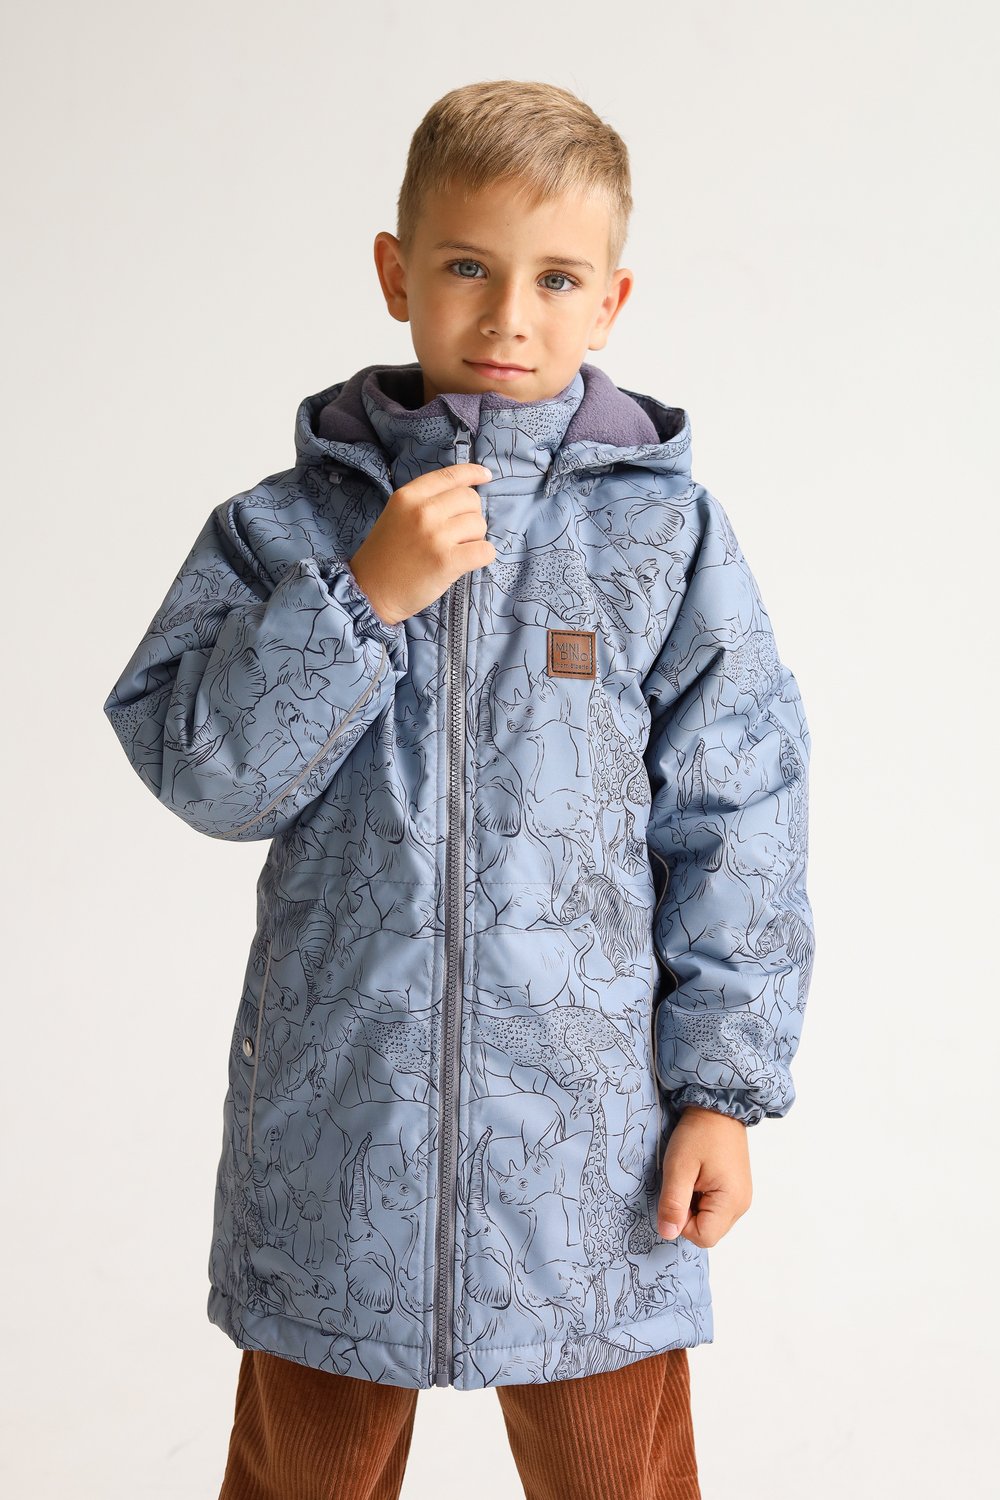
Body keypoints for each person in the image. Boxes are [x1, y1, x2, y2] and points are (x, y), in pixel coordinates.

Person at [103, 79, 815, 1500]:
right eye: (468, 267)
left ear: (610, 301)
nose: (508, 316)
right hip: (338, 1142)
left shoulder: (663, 537)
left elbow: (739, 816)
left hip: (594, 1159)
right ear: (396, 273)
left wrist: (722, 1092)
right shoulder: (288, 529)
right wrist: (360, 600)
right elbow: (203, 771)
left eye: (555, 278)